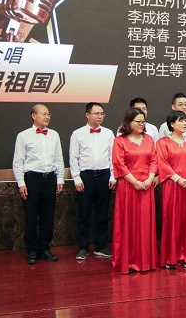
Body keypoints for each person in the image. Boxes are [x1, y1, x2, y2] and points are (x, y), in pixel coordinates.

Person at [13, 104, 65, 264]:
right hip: (32, 179)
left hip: (49, 179)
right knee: (31, 216)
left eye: (48, 114)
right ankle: (32, 250)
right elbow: (18, 161)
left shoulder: (54, 135)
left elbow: (59, 158)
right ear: (33, 116)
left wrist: (60, 178)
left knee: (48, 216)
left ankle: (45, 248)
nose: (47, 117)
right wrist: (21, 183)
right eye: (44, 114)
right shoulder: (23, 136)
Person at [111, 108, 158, 273]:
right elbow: (119, 164)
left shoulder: (149, 139)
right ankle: (129, 261)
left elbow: (154, 161)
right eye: (138, 121)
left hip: (146, 186)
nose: (141, 124)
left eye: (143, 121)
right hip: (128, 187)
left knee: (145, 224)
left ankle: (146, 260)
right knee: (128, 224)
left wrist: (150, 179)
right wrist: (135, 182)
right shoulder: (120, 141)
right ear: (128, 122)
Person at [69, 102, 116, 260]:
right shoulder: (77, 134)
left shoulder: (108, 133)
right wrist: (77, 178)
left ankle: (101, 246)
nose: (100, 116)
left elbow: (113, 157)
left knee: (103, 213)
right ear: (87, 114)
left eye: (102, 113)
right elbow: (73, 158)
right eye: (96, 113)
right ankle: (83, 247)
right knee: (84, 214)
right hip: (86, 176)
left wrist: (112, 176)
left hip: (104, 176)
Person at [156, 111, 186, 269]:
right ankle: (171, 257)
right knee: (172, 219)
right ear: (172, 124)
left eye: (185, 121)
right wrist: (178, 179)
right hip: (172, 186)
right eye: (181, 121)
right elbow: (162, 163)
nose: (184, 123)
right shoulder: (162, 143)